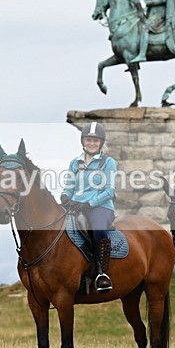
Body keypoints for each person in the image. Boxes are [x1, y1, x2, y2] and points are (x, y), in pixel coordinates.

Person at [61, 122, 118, 294]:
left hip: (100, 207)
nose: (91, 143)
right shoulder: (75, 162)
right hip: (76, 206)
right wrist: (65, 196)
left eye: (95, 140)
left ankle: (102, 273)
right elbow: (69, 186)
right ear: (83, 141)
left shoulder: (108, 162)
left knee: (98, 230)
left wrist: (89, 204)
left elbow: (110, 190)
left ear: (101, 143)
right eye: (88, 140)